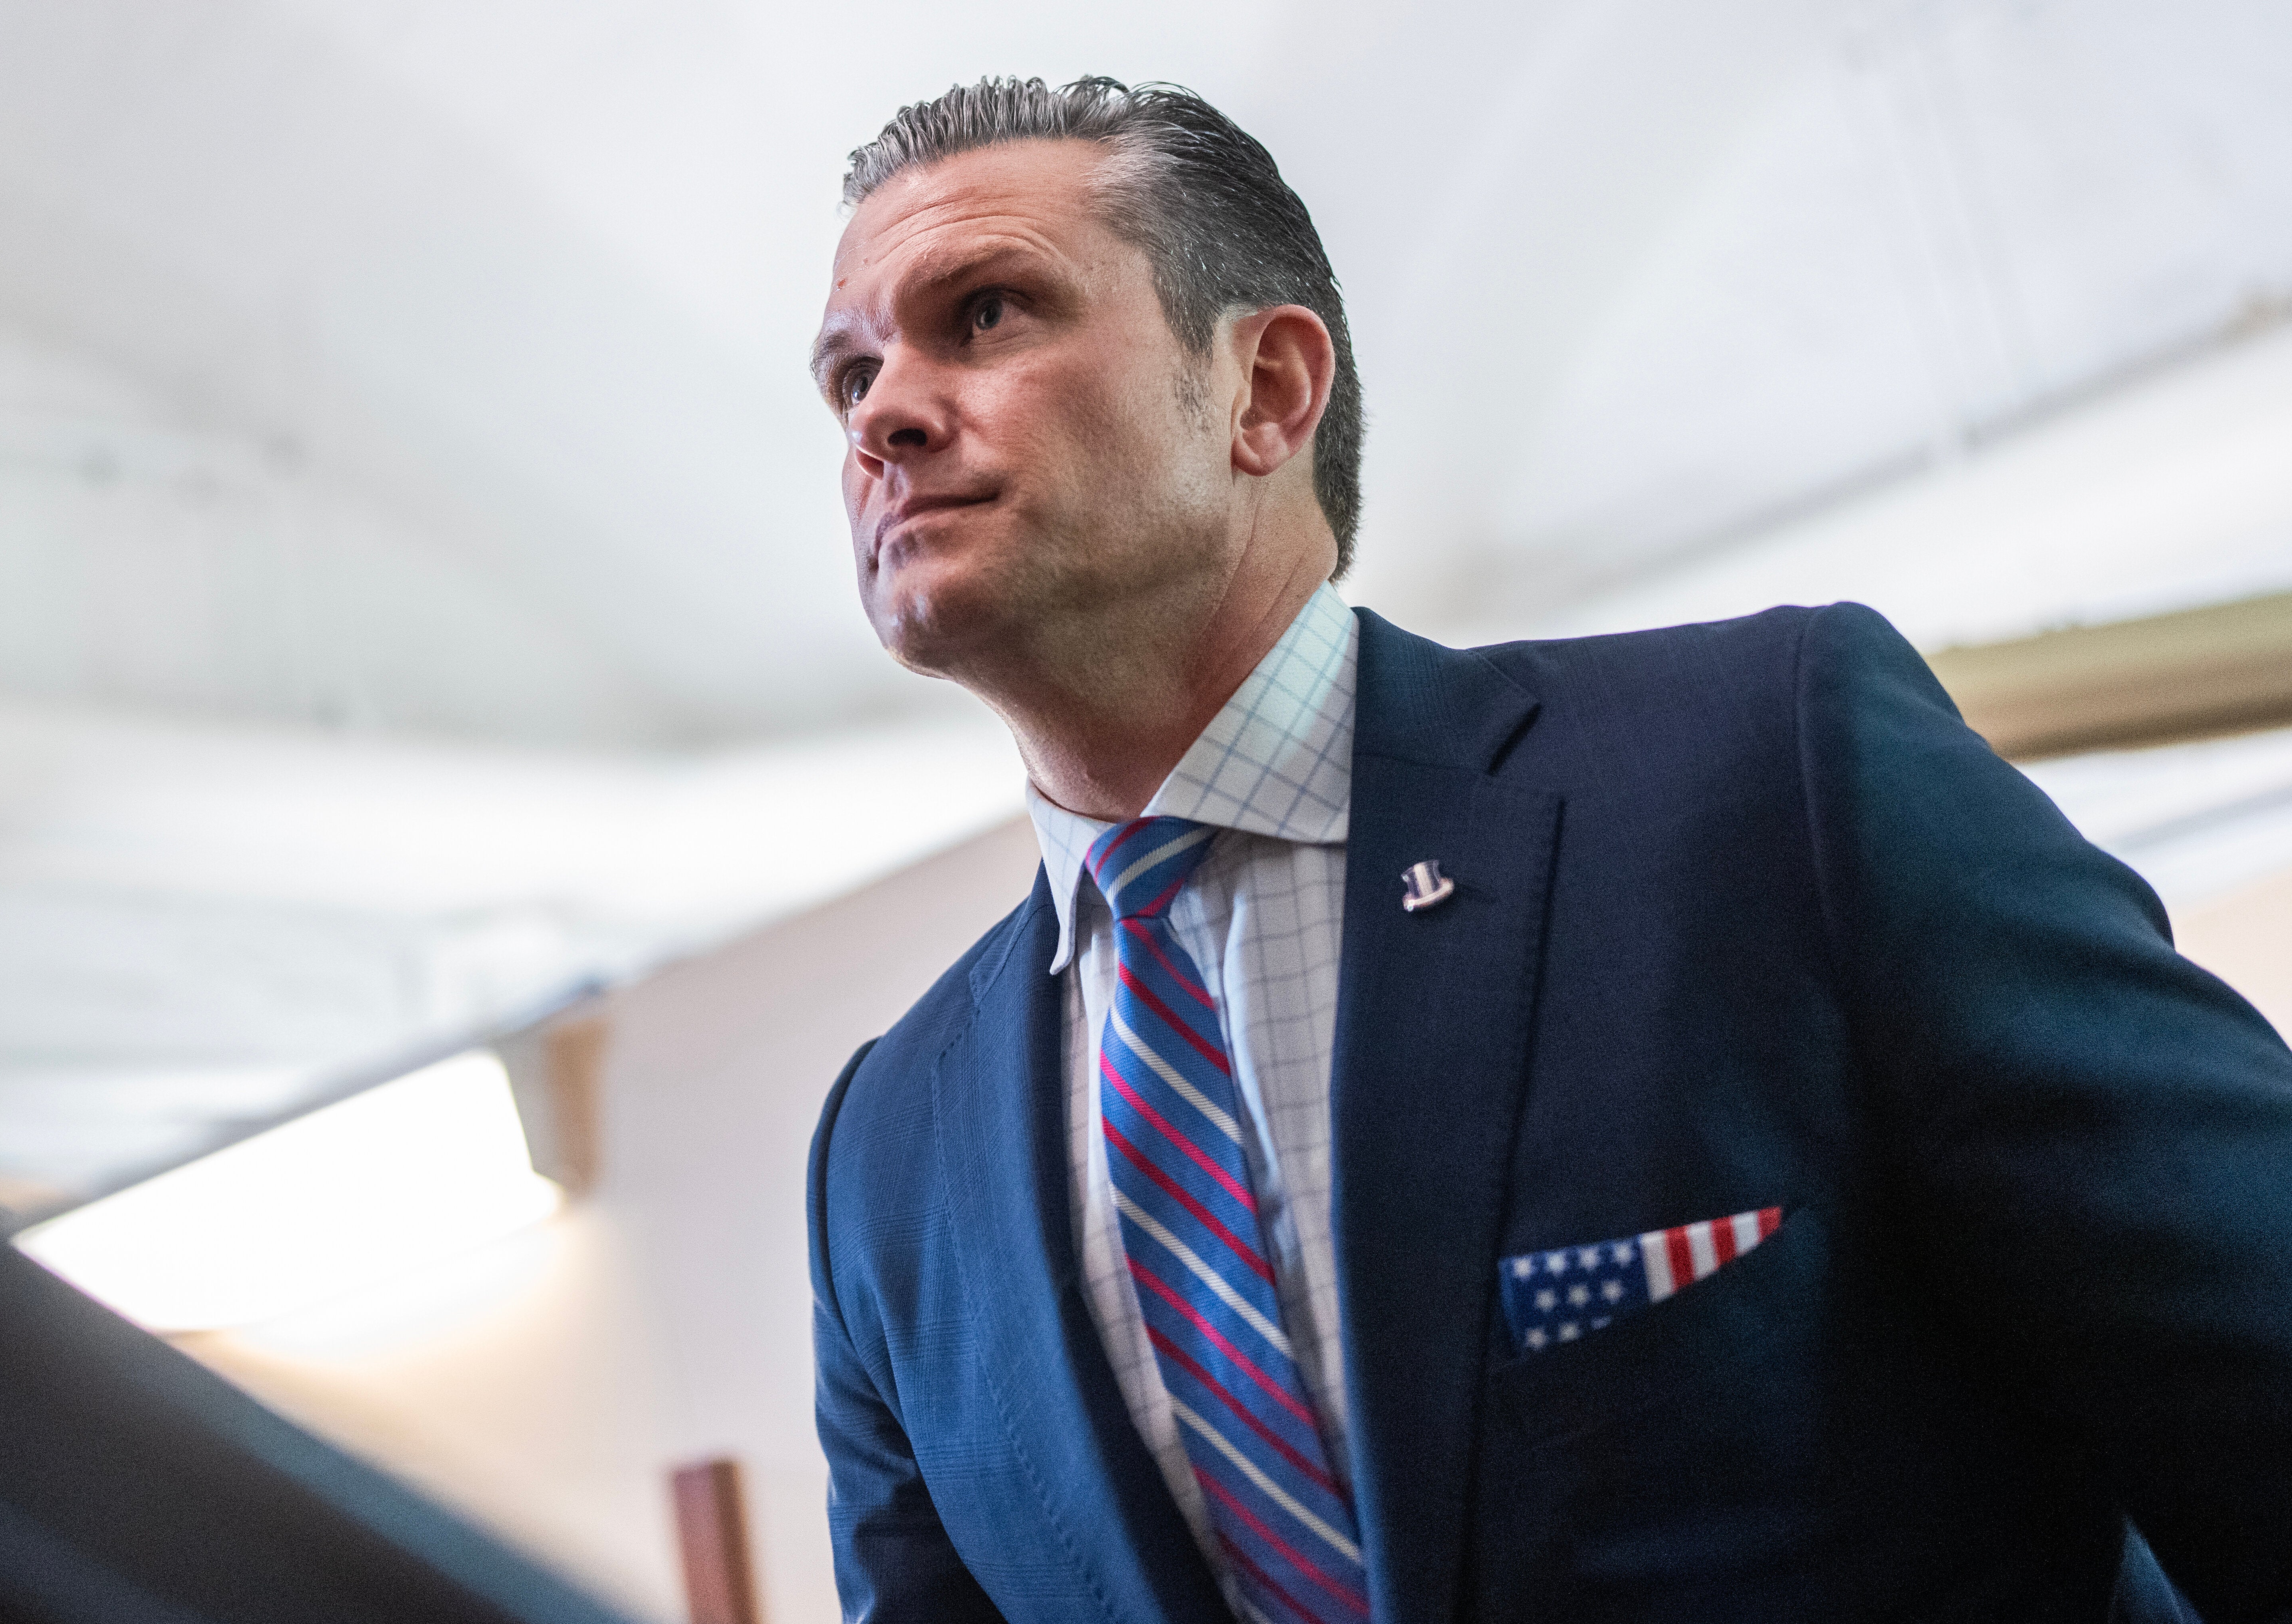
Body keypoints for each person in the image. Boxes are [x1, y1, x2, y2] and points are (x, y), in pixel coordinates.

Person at [802, 77, 2292, 1624]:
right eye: (848, 377)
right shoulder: (885, 1155)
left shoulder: (1767, 776)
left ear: (1265, 391)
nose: (884, 414)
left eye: (984, 315)